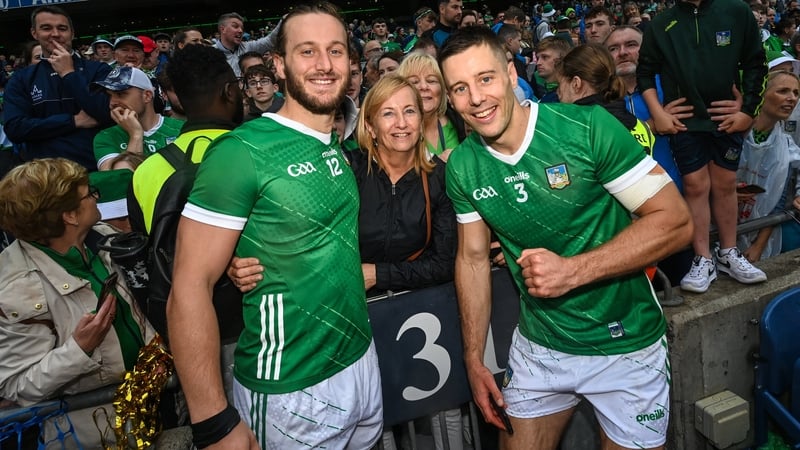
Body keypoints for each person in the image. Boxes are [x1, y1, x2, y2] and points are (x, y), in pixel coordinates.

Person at [438, 27, 692, 449]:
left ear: (509, 72)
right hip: (541, 347)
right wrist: (473, 356)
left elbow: (676, 221)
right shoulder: (464, 166)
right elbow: (472, 259)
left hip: (625, 343)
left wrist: (573, 271)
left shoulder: (587, 128)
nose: (476, 98)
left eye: (484, 79)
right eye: (460, 88)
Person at [168, 3, 383, 448]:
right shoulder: (242, 151)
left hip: (361, 360)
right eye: (308, 52)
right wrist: (213, 423)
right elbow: (188, 286)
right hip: (290, 383)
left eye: (336, 51)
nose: (325, 65)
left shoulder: (338, 142)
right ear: (280, 67)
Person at [0, 158, 154, 449]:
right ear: (69, 216)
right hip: (98, 434)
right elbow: (19, 387)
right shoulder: (13, 287)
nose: (97, 197)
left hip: (154, 406)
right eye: (90, 193)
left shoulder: (104, 237)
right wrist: (79, 349)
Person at [638, 0, 769, 293]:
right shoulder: (662, 23)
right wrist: (658, 113)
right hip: (686, 121)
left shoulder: (736, 11)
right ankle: (702, 258)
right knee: (695, 185)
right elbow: (645, 72)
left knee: (726, 182)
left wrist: (747, 111)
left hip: (727, 117)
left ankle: (728, 252)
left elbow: (755, 64)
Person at [3, 5, 113, 171]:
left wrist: (69, 74)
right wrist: (73, 121)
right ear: (35, 33)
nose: (55, 34)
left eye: (62, 28)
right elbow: (15, 128)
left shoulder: (99, 70)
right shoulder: (22, 78)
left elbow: (107, 113)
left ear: (72, 33)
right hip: (46, 175)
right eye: (46, 28)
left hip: (96, 168)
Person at [737, 70, 800, 261]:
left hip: (759, 232)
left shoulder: (787, 147)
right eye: (783, 91)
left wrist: (759, 245)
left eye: (796, 93)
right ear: (761, 94)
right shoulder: (732, 135)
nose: (792, 98)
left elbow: (778, 200)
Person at [91, 66, 183, 170]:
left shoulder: (181, 129)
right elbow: (120, 182)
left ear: (147, 96)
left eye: (120, 94)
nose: (112, 103)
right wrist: (135, 135)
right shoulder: (106, 137)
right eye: (109, 96)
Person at [397, 51, 464, 162]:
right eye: (414, 82)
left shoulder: (459, 121)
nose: (423, 86)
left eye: (431, 81)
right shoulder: (396, 132)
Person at [214, 12, 277, 76]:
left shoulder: (248, 47)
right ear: (223, 29)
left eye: (242, 28)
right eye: (235, 26)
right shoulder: (210, 54)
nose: (240, 31)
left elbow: (270, 41)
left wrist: (284, 21)